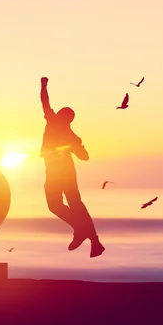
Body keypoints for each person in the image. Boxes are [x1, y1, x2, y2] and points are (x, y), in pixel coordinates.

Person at [39, 76, 105, 258]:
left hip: (61, 173)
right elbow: (45, 101)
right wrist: (77, 146)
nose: (57, 114)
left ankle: (85, 234)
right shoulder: (64, 129)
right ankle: (90, 237)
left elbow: (85, 157)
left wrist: (76, 145)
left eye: (62, 114)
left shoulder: (60, 126)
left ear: (65, 118)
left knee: (67, 204)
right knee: (62, 205)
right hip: (58, 171)